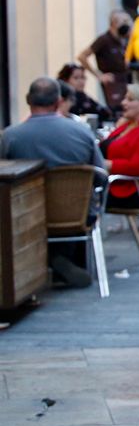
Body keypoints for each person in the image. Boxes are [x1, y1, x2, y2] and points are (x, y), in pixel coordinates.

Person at [0, 78, 106, 288]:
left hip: (28, 215)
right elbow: (100, 174)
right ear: (58, 101)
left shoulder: (11, 136)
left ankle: (52, 261)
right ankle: (59, 261)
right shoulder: (81, 132)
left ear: (28, 100)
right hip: (77, 213)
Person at [78, 10, 131, 112]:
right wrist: (98, 75)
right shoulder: (104, 39)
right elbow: (82, 56)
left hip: (124, 79)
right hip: (112, 82)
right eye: (124, 21)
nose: (127, 25)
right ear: (114, 22)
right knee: (117, 110)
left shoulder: (122, 40)